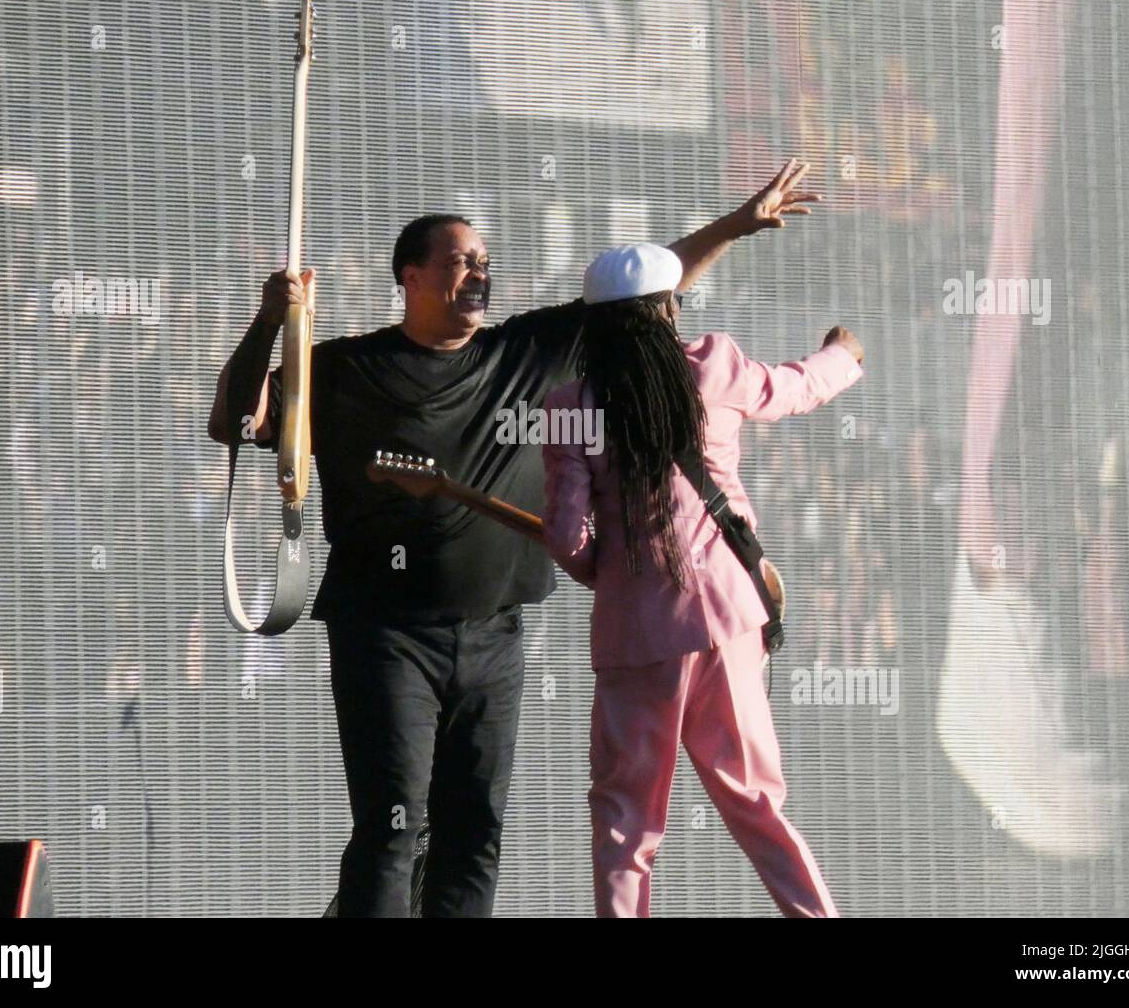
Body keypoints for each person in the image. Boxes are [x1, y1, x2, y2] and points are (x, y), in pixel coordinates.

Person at [205, 161, 822, 917]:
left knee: (473, 833)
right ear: (410, 275)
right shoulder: (341, 367)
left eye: (486, 263)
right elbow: (236, 421)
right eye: (460, 259)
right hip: (386, 635)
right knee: (394, 829)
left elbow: (642, 291)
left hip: (496, 634)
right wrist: (274, 321)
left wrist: (734, 224)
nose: (478, 273)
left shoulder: (524, 355)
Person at [541, 241, 864, 917]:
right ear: (666, 311)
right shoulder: (713, 367)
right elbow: (792, 388)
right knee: (756, 803)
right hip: (726, 618)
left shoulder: (569, 406)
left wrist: (617, 571)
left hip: (636, 641)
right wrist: (841, 354)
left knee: (627, 826)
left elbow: (569, 542)